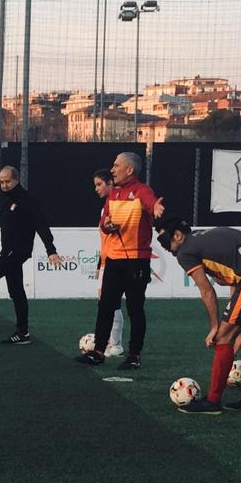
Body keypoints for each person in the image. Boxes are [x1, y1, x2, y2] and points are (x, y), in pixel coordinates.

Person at [154, 217, 241, 414]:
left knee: (223, 337)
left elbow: (206, 290)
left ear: (178, 235)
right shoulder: (203, 235)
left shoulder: (185, 251)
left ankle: (213, 401)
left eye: (165, 242)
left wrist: (215, 327)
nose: (166, 248)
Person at [75, 152, 162, 369]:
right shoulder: (112, 194)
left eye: (116, 166)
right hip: (114, 260)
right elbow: (105, 222)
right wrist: (108, 226)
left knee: (135, 308)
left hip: (136, 260)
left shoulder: (143, 191)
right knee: (105, 306)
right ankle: (98, 352)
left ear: (129, 170)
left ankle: (134, 356)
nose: (112, 170)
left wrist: (156, 208)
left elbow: (152, 205)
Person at [0, 166, 60, 344]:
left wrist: (51, 249)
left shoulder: (28, 199)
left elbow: (41, 224)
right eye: (1, 182)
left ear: (17, 180)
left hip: (18, 251)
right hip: (8, 251)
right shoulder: (7, 200)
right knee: (16, 292)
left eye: (8, 181)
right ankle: (23, 333)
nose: (5, 185)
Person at [91, 169, 125, 357]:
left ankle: (116, 345)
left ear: (110, 183)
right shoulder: (106, 206)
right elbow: (105, 240)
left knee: (110, 303)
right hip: (107, 260)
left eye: (99, 184)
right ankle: (112, 344)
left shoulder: (117, 205)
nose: (96, 188)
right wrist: (99, 264)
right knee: (106, 302)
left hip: (116, 260)